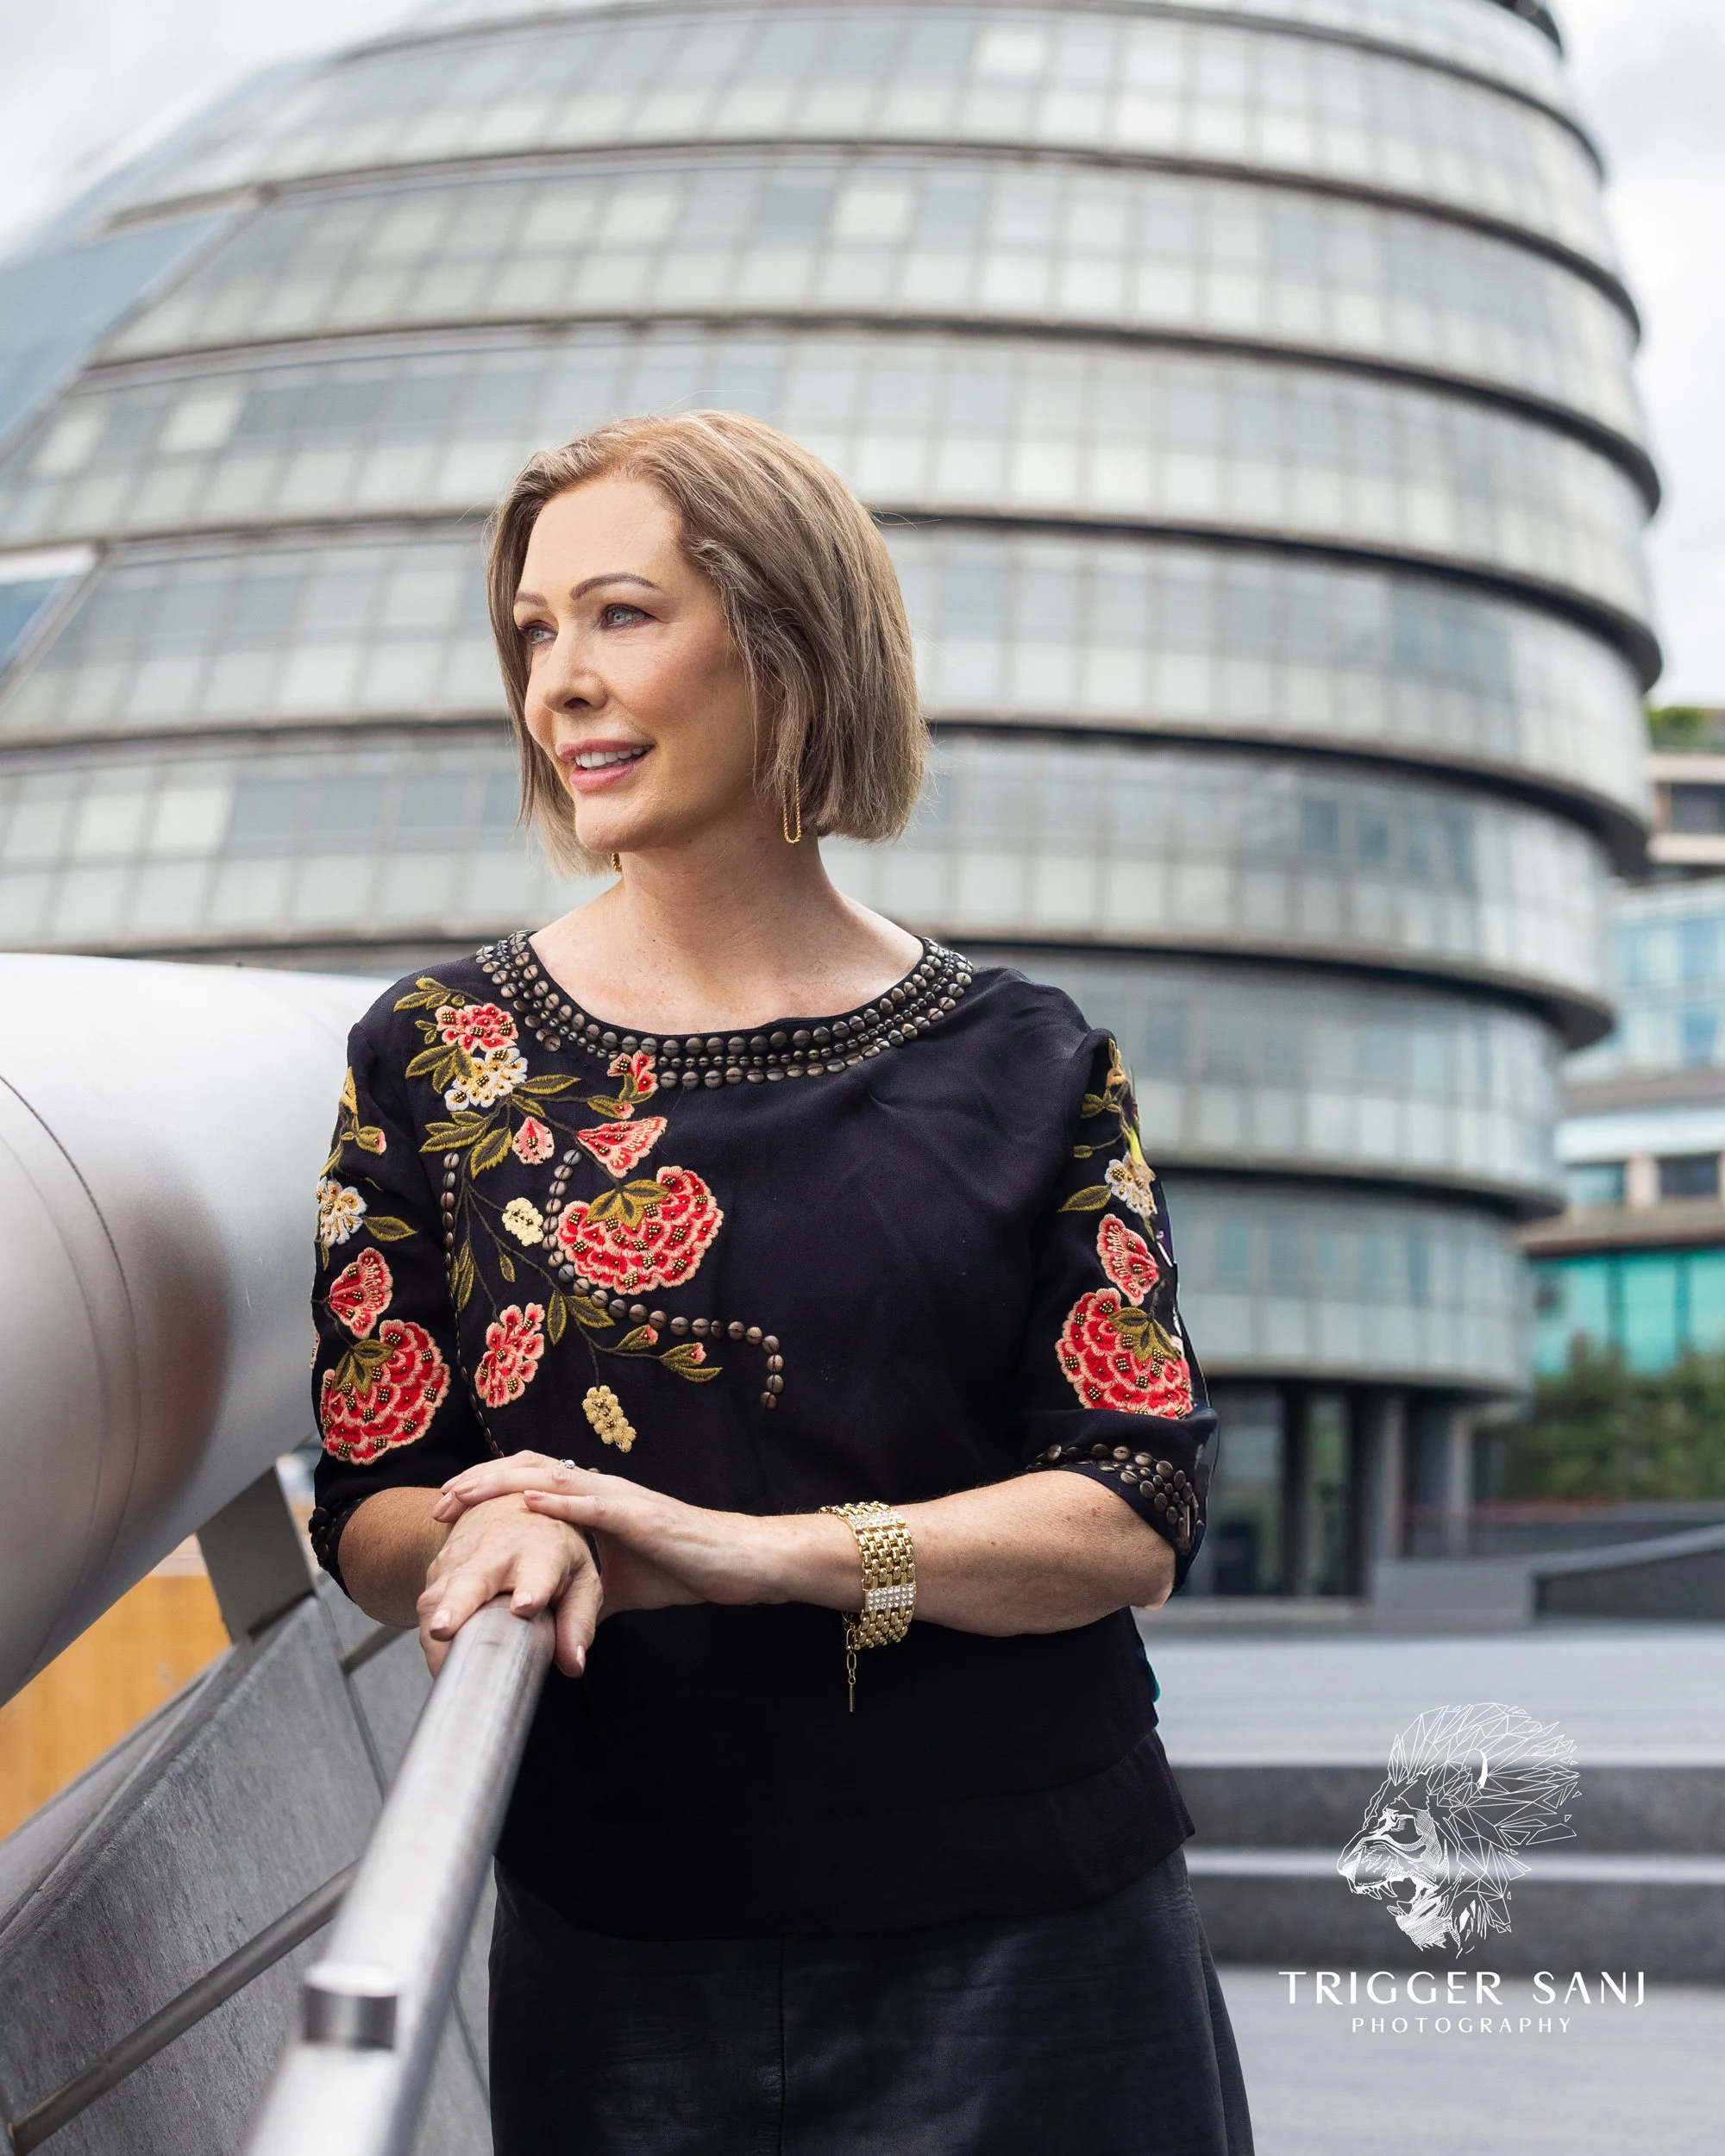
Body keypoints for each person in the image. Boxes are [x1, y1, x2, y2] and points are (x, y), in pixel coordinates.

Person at [308, 410, 1251, 2156]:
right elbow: (372, 1498)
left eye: (621, 615)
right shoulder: (436, 1052)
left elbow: (1130, 1503)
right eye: (533, 630)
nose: (563, 681)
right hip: (626, 1932)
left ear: (788, 634)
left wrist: (743, 1554)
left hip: (1035, 1928)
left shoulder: (1030, 1057)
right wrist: (479, 1542)